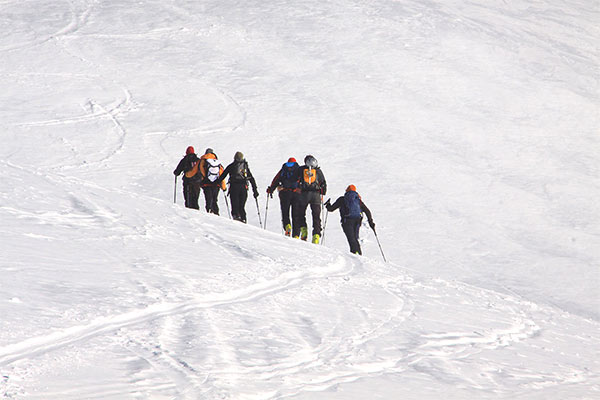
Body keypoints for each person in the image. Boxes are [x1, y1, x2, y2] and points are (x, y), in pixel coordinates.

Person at [325, 184, 375, 255]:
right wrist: (371, 222)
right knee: (355, 238)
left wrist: (328, 205)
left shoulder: (342, 199)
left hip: (347, 221)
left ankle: (355, 254)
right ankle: (358, 254)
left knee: (351, 239)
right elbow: (367, 211)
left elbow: (331, 209)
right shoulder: (358, 200)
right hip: (357, 221)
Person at [294, 155, 327, 243]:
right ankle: (316, 236)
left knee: (301, 214)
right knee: (316, 216)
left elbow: (294, 179)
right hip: (316, 196)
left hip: (304, 195)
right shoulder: (318, 171)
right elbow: (323, 183)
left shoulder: (301, 169)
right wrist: (322, 192)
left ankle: (304, 231)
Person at [218, 151, 259, 223]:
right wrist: (255, 191)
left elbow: (223, 176)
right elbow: (251, 178)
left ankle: (236, 219)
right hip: (243, 188)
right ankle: (243, 220)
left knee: (235, 205)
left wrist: (216, 183)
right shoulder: (245, 167)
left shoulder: (231, 166)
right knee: (242, 206)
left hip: (234, 188)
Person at [266, 157, 300, 236]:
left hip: (285, 193)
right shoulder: (298, 170)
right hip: (296, 194)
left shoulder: (283, 169)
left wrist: (271, 189)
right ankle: (296, 234)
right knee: (296, 215)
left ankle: (287, 226)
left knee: (285, 212)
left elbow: (276, 180)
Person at [198, 148, 226, 215]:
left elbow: (199, 171)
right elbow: (221, 174)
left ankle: (209, 211)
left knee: (208, 199)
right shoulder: (216, 162)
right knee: (214, 199)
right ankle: (216, 212)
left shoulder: (202, 161)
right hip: (216, 184)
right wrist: (224, 187)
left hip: (206, 184)